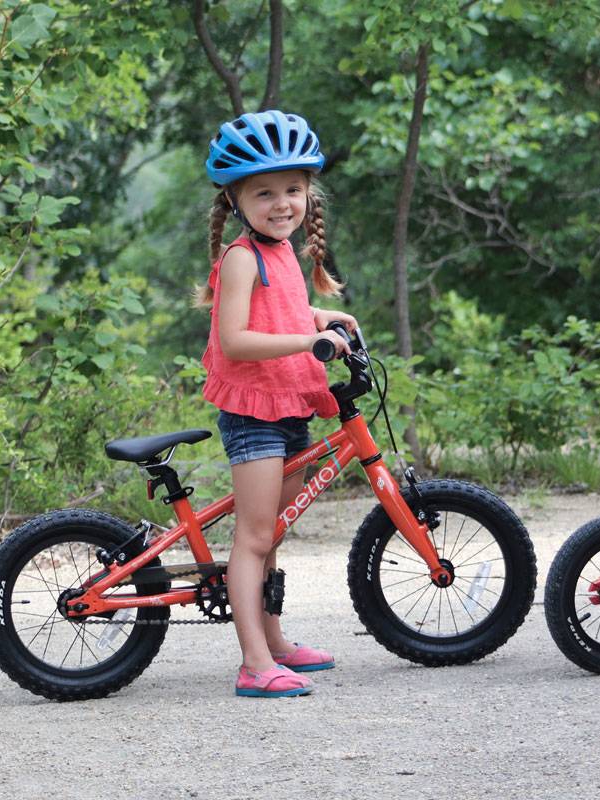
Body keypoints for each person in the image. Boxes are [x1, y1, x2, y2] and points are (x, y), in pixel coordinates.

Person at [199, 110, 357, 697]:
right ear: (237, 199)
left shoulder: (284, 252)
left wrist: (321, 317)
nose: (282, 202)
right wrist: (307, 339)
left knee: (276, 535)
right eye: (264, 192)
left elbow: (284, 311)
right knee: (254, 536)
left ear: (308, 193)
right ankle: (253, 662)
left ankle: (277, 641)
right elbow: (236, 338)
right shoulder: (242, 257)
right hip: (254, 412)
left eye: (293, 188)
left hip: (290, 403)